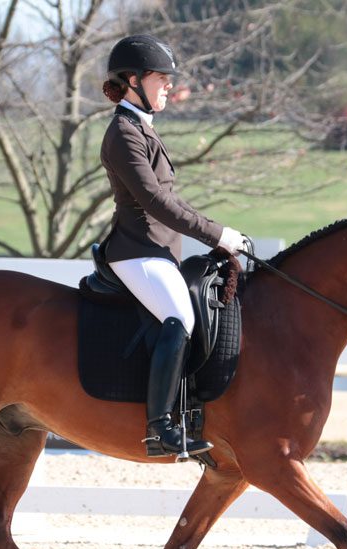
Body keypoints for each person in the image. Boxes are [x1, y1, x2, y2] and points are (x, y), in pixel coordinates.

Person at [99, 34, 247, 457]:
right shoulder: (124, 133)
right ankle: (160, 428)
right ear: (132, 81)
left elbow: (173, 200)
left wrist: (218, 232)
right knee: (178, 317)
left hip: (159, 250)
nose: (168, 85)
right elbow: (156, 202)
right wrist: (216, 235)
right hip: (136, 249)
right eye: (160, 78)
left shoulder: (143, 130)